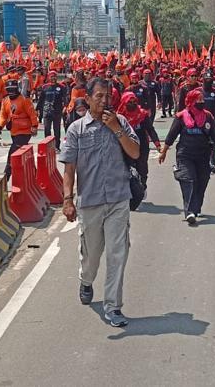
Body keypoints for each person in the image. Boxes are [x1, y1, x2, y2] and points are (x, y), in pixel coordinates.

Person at [58, 77, 140, 327]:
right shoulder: (77, 130)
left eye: (108, 96)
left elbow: (135, 152)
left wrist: (116, 127)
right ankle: (86, 280)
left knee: (118, 253)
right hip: (90, 201)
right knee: (92, 256)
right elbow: (69, 168)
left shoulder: (121, 122)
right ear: (88, 98)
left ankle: (113, 307)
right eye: (99, 96)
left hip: (118, 199)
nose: (104, 101)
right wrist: (67, 199)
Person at [159, 88, 215, 225]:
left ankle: (196, 208)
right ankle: (189, 211)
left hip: (203, 155)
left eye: (202, 100)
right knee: (188, 179)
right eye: (198, 100)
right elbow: (172, 135)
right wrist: (164, 151)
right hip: (185, 155)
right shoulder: (181, 116)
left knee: (202, 181)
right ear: (190, 102)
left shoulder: (208, 116)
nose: (201, 102)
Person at [117, 92, 160, 190]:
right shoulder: (119, 117)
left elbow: (150, 129)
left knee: (142, 168)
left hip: (142, 145)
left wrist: (157, 143)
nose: (132, 103)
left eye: (134, 101)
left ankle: (142, 186)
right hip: (126, 146)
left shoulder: (142, 114)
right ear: (124, 102)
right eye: (129, 102)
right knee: (128, 167)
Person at [0, 80, 37, 181]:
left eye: (13, 89)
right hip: (13, 132)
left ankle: (6, 178)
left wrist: (34, 126)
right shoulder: (5, 101)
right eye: (9, 90)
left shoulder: (24, 100)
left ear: (17, 89)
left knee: (12, 154)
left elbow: (32, 114)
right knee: (25, 155)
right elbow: (3, 115)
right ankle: (35, 176)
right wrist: (0, 126)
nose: (11, 92)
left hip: (24, 132)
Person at [38, 70, 68, 148]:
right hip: (47, 111)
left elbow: (65, 98)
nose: (53, 78)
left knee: (56, 130)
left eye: (54, 76)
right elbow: (41, 100)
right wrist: (37, 109)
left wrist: (65, 106)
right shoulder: (45, 87)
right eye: (51, 76)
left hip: (57, 112)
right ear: (48, 77)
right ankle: (47, 147)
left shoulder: (62, 87)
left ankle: (57, 146)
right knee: (47, 129)